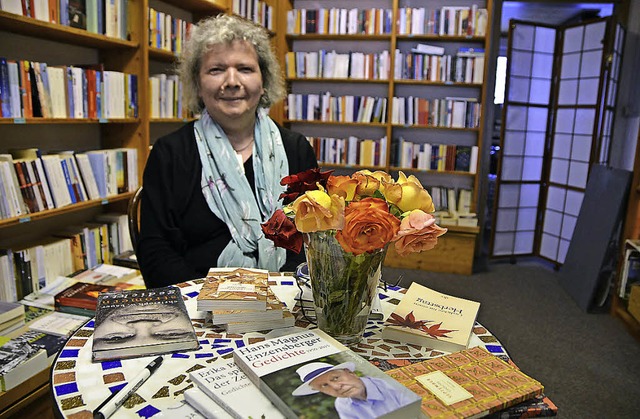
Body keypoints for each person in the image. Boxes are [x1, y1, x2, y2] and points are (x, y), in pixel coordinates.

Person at [137, 14, 318, 288]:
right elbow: (155, 251)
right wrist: (216, 302)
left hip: (285, 302)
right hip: (198, 307)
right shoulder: (169, 153)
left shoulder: (297, 149)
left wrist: (282, 297)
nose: (232, 81)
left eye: (245, 69)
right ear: (197, 85)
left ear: (264, 81)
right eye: (216, 70)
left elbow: (312, 238)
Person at [291, 361, 416, 419]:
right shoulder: (342, 404)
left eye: (335, 378)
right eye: (324, 386)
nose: (336, 387)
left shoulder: (393, 386)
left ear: (351, 373)